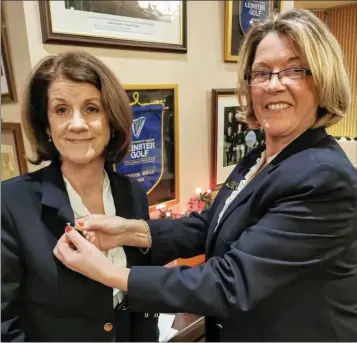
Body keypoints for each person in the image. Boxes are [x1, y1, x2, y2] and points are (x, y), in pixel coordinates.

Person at [54, 8, 357, 342]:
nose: (273, 85)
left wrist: (109, 273)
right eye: (261, 72)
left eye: (294, 70)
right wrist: (130, 232)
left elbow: (230, 282)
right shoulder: (263, 156)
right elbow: (210, 224)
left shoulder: (324, 178)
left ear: (323, 78)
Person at [1, 51, 159, 342]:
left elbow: (143, 299)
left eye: (91, 109)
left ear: (111, 120)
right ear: (46, 125)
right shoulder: (10, 203)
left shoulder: (133, 194)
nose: (76, 124)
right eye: (61, 110)